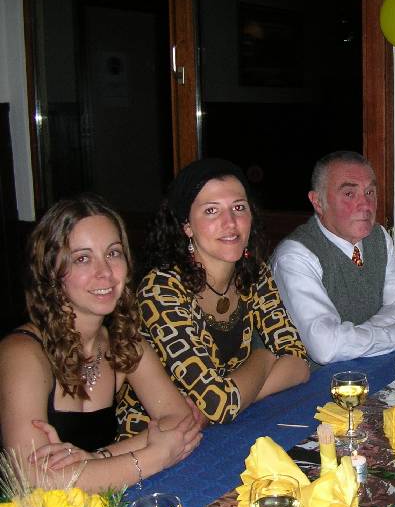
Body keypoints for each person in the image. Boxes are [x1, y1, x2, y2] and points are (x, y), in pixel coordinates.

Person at [0, 196, 202, 492]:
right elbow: (32, 482)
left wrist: (97, 459)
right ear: (50, 271)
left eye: (113, 253)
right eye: (82, 258)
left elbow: (182, 421)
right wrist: (155, 456)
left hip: (98, 506)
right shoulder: (21, 353)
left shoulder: (123, 341)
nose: (105, 271)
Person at [117, 158, 309, 437]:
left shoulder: (254, 273)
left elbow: (299, 362)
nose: (230, 222)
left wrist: (235, 398)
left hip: (221, 425)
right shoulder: (161, 289)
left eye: (239, 208)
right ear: (187, 225)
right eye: (211, 211)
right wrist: (265, 356)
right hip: (156, 438)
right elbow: (219, 405)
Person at [269, 151, 395, 365]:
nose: (366, 205)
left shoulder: (378, 236)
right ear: (318, 202)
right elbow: (326, 348)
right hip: (312, 380)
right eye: (349, 194)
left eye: (370, 192)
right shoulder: (295, 255)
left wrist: (359, 336)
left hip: (368, 366)